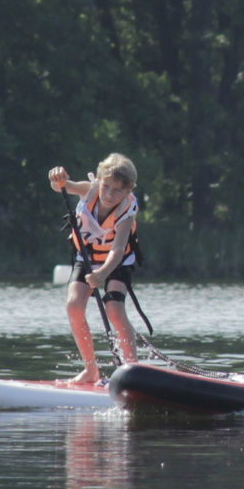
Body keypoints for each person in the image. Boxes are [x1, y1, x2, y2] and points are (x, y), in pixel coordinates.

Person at [47, 153, 147, 385]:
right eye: (106, 186)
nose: (110, 194)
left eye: (118, 191)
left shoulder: (126, 211)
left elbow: (119, 249)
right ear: (99, 180)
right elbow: (58, 185)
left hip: (117, 261)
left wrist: (102, 274)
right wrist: (57, 175)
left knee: (114, 309)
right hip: (88, 256)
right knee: (73, 305)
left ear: (129, 191)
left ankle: (132, 369)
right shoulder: (89, 190)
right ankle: (91, 370)